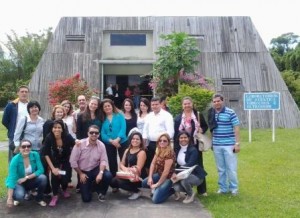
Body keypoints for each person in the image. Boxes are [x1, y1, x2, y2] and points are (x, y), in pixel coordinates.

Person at [174, 96, 208, 195]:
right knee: (183, 165)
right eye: (185, 104)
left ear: (192, 104)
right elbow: (176, 133)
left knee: (199, 165)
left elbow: (205, 126)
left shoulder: (198, 115)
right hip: (183, 146)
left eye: (188, 103)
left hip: (196, 145)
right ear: (182, 105)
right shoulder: (178, 118)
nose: (187, 105)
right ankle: (185, 188)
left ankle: (202, 190)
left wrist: (202, 130)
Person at [69, 125, 112, 202]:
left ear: (99, 134)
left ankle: (101, 192)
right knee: (86, 199)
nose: (94, 134)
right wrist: (80, 173)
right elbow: (73, 161)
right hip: (83, 171)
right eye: (91, 132)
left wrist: (101, 173)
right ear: (88, 133)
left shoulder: (101, 145)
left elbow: (103, 160)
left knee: (107, 175)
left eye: (96, 133)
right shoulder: (80, 144)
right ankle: (91, 187)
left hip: (95, 169)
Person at [208, 93, 240, 195]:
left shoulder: (230, 112)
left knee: (231, 168)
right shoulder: (212, 113)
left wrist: (237, 143)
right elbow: (211, 129)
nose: (216, 103)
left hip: (229, 144)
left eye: (218, 101)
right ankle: (223, 188)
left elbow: (236, 128)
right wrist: (212, 142)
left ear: (222, 101)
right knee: (221, 168)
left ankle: (234, 188)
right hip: (217, 144)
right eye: (214, 101)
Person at [43, 120, 75, 206]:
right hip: (55, 161)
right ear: (52, 129)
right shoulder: (49, 137)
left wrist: (79, 142)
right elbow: (46, 154)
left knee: (65, 179)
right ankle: (55, 195)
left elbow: (75, 143)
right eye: (55, 127)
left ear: (62, 129)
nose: (57, 129)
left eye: (59, 127)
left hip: (66, 161)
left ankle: (63, 189)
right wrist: (52, 168)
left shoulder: (67, 136)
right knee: (55, 177)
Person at [6, 139, 47, 207]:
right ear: (19, 148)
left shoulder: (35, 154)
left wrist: (26, 177)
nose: (26, 148)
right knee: (19, 196)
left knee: (43, 178)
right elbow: (11, 178)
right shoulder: (15, 159)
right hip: (18, 182)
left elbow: (41, 170)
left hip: (29, 180)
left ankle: (38, 198)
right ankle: (16, 197)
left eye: (28, 146)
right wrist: (9, 198)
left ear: (31, 147)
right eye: (23, 146)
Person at [172, 131, 207, 203]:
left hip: (196, 175)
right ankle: (179, 192)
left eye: (185, 137)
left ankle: (190, 194)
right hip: (183, 174)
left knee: (185, 180)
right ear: (178, 139)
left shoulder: (193, 150)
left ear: (189, 139)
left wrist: (175, 172)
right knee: (176, 186)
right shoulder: (177, 149)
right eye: (181, 138)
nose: (183, 139)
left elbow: (190, 165)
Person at [110, 131, 147, 200]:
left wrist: (126, 169)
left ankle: (137, 191)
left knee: (119, 182)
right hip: (127, 174)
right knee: (112, 182)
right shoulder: (127, 150)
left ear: (141, 141)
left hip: (137, 177)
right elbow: (121, 163)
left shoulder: (142, 152)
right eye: (133, 139)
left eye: (137, 139)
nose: (135, 140)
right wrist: (125, 169)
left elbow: (138, 169)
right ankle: (130, 189)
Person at [142, 133, 176, 204]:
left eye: (164, 141)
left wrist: (157, 184)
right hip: (160, 174)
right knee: (144, 183)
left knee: (155, 200)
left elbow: (166, 172)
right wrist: (150, 177)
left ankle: (172, 190)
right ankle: (159, 189)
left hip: (168, 178)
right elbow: (153, 163)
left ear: (168, 142)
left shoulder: (170, 153)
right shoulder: (158, 149)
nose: (162, 142)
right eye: (160, 140)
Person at [142, 96, 174, 171]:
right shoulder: (149, 116)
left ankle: (160, 181)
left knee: (161, 165)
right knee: (150, 164)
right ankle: (150, 180)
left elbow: (171, 132)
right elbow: (145, 131)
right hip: (151, 144)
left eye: (156, 104)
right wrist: (144, 143)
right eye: (153, 105)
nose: (154, 106)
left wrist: (164, 143)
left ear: (160, 104)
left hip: (163, 144)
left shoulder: (167, 116)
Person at [100, 99, 127, 185]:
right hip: (109, 143)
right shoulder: (103, 119)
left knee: (124, 161)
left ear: (112, 106)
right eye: (105, 106)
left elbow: (123, 128)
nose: (107, 107)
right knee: (112, 163)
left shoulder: (119, 115)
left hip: (122, 142)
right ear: (103, 108)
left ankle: (126, 181)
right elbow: (102, 133)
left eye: (108, 105)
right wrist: (111, 141)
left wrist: (118, 139)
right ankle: (114, 184)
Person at [2, 85, 29, 162]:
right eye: (22, 91)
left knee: (25, 157)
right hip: (14, 135)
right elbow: (5, 120)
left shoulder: (30, 105)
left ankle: (24, 173)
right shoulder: (11, 105)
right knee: (13, 158)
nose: (24, 93)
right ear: (18, 93)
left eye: (26, 92)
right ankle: (12, 173)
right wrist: (12, 129)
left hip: (27, 135)